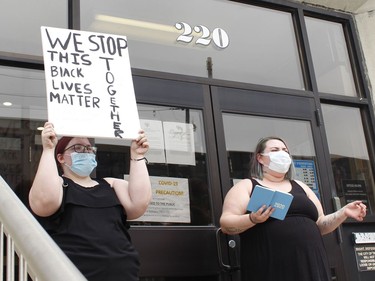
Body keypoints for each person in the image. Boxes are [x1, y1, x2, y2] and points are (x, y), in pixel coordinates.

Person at [220, 136, 367, 281]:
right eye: (275, 149)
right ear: (260, 158)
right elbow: (226, 224)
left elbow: (321, 224)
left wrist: (343, 213)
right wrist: (252, 219)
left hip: (310, 264)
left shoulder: (301, 186)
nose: (282, 153)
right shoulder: (247, 186)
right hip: (271, 266)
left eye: (285, 150)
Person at [29, 122, 152, 281]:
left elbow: (140, 204)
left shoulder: (110, 184)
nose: (85, 152)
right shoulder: (59, 186)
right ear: (60, 157)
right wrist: (48, 150)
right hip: (73, 274)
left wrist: (138, 155)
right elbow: (42, 202)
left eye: (89, 149)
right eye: (77, 148)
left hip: (123, 273)